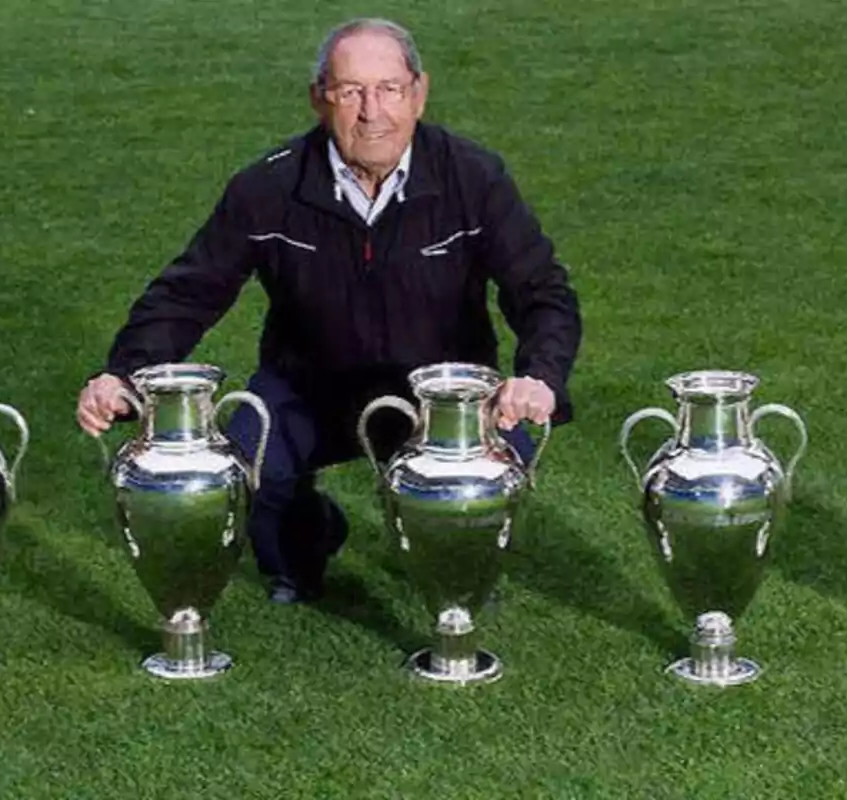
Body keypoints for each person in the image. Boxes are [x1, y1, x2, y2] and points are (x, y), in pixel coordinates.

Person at [77, 18, 582, 604]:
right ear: (320, 99)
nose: (372, 111)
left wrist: (539, 378)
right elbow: (189, 292)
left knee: (473, 509)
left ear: (419, 93)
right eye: (350, 91)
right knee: (250, 471)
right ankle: (305, 546)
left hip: (444, 397)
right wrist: (124, 371)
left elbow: (542, 290)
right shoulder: (267, 187)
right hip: (308, 386)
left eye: (390, 89)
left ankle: (455, 570)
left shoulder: (475, 177)